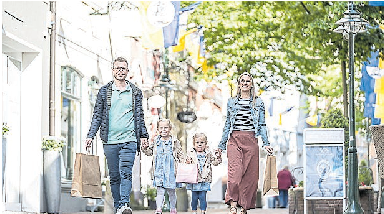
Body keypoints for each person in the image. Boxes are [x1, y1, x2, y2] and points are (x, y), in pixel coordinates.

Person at [85, 56, 149, 214]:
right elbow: (97, 116)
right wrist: (90, 135)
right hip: (110, 140)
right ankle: (119, 205)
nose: (120, 71)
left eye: (123, 68)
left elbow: (140, 116)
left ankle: (125, 205)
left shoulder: (135, 92)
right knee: (114, 175)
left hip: (130, 139)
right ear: (113, 70)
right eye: (117, 68)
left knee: (126, 171)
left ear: (127, 71)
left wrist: (144, 135)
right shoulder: (104, 91)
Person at [216, 72, 273, 214]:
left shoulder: (258, 102)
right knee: (235, 174)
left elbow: (262, 124)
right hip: (234, 139)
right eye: (243, 81)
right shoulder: (231, 102)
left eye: (248, 81)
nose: (245, 83)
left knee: (250, 177)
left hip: (251, 140)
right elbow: (228, 124)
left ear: (252, 84)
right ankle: (233, 204)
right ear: (239, 84)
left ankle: (244, 206)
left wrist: (266, 143)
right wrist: (221, 146)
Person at [141, 119, 185, 214]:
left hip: (171, 170)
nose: (163, 130)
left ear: (170, 129)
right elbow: (149, 152)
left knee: (171, 192)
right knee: (160, 190)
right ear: (158, 129)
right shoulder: (156, 141)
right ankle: (158, 209)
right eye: (161, 128)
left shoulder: (174, 141)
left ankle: (173, 209)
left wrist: (185, 162)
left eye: (166, 128)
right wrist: (144, 148)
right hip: (159, 170)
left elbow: (180, 154)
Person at [185, 133, 222, 214]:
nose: (199, 145)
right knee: (194, 197)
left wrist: (218, 157)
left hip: (205, 179)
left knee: (202, 197)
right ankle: (194, 210)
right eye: (197, 143)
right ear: (194, 144)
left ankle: (203, 211)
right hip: (194, 179)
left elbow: (215, 162)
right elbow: (187, 164)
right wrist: (188, 162)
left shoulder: (208, 154)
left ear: (205, 144)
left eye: (202, 143)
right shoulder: (191, 153)